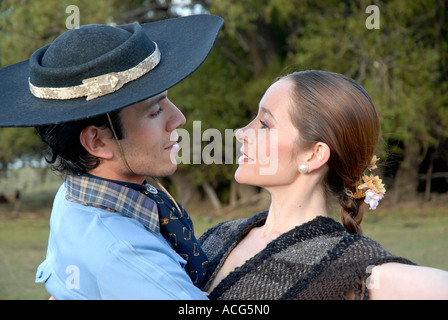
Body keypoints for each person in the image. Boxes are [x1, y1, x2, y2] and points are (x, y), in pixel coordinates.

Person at [0, 14, 223, 299]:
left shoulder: (73, 195)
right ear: (97, 141)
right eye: (155, 111)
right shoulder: (128, 256)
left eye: (168, 100)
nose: (178, 118)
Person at [199, 70, 448, 300]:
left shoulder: (347, 264)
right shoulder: (218, 237)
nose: (241, 132)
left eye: (265, 124)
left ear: (314, 155)